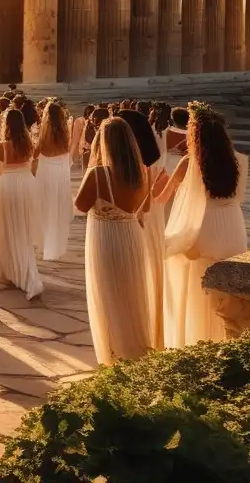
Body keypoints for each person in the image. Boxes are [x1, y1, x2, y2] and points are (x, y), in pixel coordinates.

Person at [156, 102, 249, 348]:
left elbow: (162, 198)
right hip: (232, 224)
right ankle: (225, 339)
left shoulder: (189, 163)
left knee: (198, 284)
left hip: (205, 224)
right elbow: (238, 196)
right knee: (227, 285)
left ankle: (197, 340)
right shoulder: (238, 161)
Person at [74, 116, 152, 365]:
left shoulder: (98, 174)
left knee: (109, 297)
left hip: (106, 239)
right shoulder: (142, 171)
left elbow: (80, 205)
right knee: (131, 296)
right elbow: (145, 206)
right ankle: (136, 351)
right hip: (131, 236)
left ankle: (115, 356)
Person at [0, 109, 44, 299]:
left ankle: (14, 271)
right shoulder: (30, 145)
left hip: (9, 186)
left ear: (7, 125)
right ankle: (25, 271)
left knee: (9, 228)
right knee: (23, 229)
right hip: (27, 184)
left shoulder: (3, 146)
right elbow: (35, 166)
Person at [118, 108, 167, 350]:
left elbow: (143, 204)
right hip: (152, 219)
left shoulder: (137, 165)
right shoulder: (153, 160)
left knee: (142, 272)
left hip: (141, 220)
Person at [33, 100, 73, 261]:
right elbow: (68, 151)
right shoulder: (65, 134)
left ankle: (44, 243)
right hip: (59, 174)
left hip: (45, 173)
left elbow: (36, 153)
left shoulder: (43, 135)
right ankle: (54, 243)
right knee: (57, 207)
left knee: (44, 207)